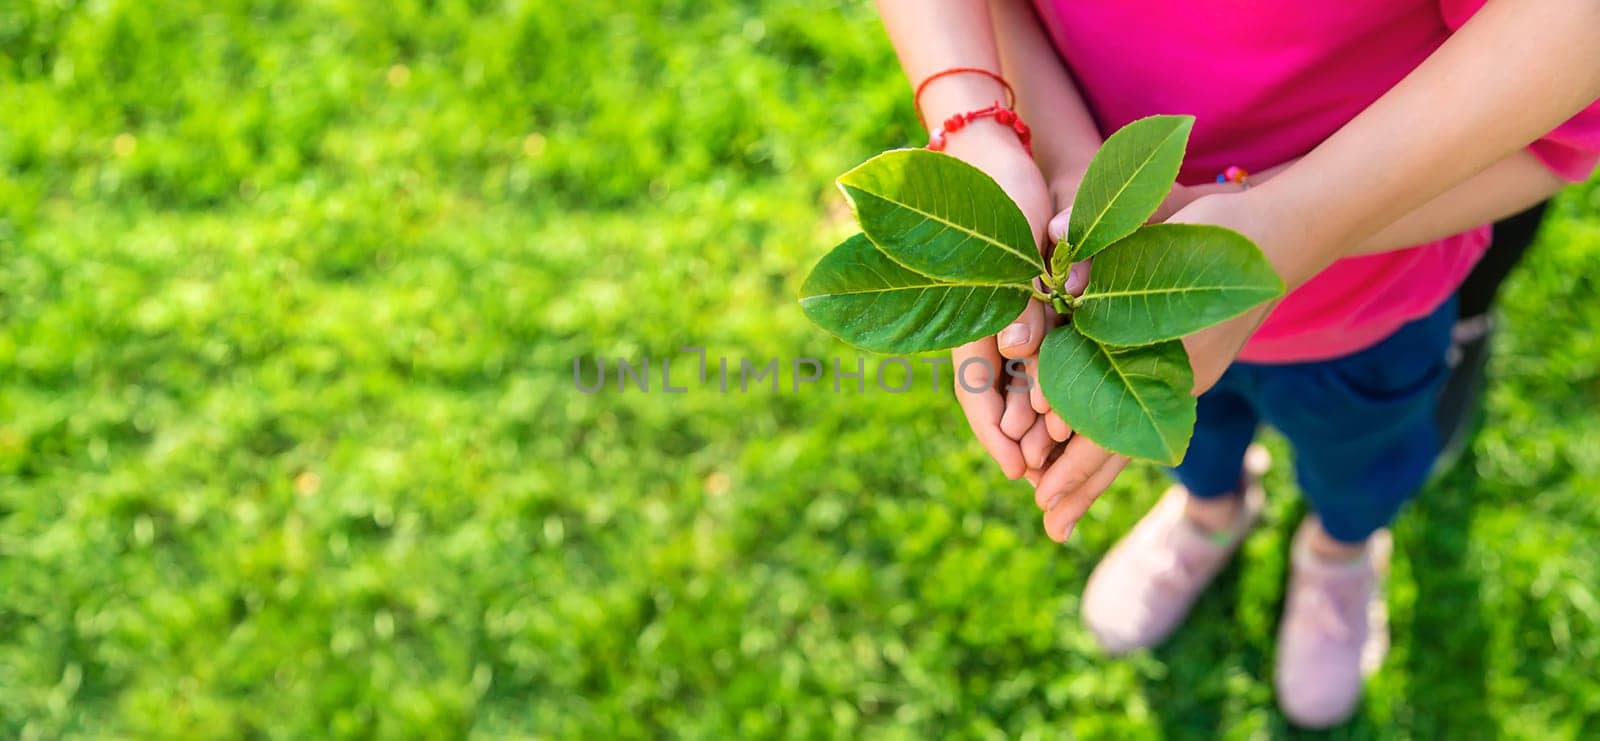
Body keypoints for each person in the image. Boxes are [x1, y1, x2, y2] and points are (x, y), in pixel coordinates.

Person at [873, 0, 1600, 727]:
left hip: (1366, 306)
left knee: (1361, 460)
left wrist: (1278, 226)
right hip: (1137, 317)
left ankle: (1340, 550)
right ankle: (1210, 511)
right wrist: (1016, 142)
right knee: (1189, 438)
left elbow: (1556, 116)